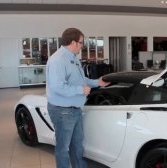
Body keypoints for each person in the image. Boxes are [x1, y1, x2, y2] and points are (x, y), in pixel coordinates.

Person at [46, 28, 110, 168]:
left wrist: (97, 83)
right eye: (81, 42)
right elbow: (58, 87)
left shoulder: (73, 58)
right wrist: (81, 90)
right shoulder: (58, 60)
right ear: (74, 42)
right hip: (63, 111)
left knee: (77, 144)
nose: (82, 46)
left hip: (75, 109)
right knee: (63, 148)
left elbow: (81, 79)